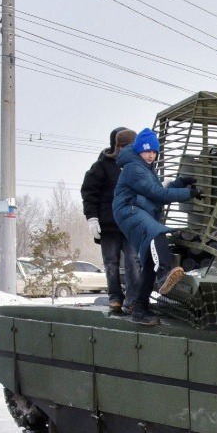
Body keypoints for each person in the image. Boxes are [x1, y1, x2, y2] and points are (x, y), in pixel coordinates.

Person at [112, 128, 197, 327]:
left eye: (154, 152)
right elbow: (157, 194)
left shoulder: (145, 167)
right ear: (139, 150)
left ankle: (140, 308)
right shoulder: (134, 168)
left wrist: (180, 183)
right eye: (147, 151)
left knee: (149, 262)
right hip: (128, 210)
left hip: (139, 209)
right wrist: (187, 194)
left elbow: (157, 192)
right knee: (155, 232)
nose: (151, 155)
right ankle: (165, 274)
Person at [81, 127, 140, 315]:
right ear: (115, 146)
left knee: (133, 260)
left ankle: (133, 300)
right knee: (111, 262)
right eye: (122, 146)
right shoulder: (103, 166)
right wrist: (92, 218)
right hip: (108, 224)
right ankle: (115, 297)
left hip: (131, 223)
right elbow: (89, 192)